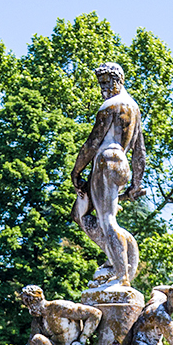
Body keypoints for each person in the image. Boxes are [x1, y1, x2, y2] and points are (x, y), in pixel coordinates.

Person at [72, 62, 147, 288]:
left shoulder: (110, 106)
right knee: (80, 215)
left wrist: (76, 171)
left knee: (107, 220)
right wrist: (136, 182)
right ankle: (115, 256)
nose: (103, 87)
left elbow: (92, 143)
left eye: (106, 82)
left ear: (118, 80)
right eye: (100, 83)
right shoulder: (134, 107)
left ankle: (121, 274)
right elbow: (140, 151)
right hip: (120, 165)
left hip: (106, 161)